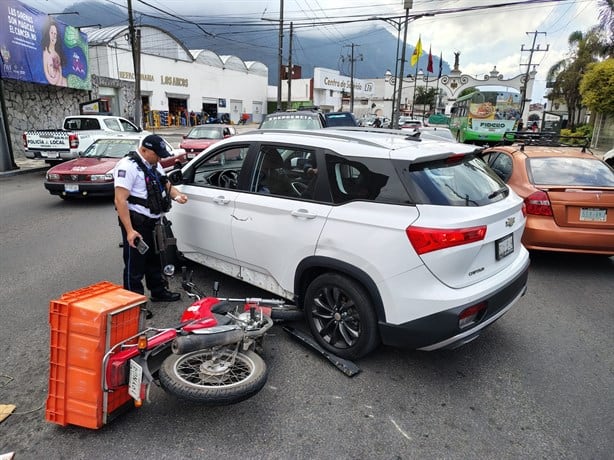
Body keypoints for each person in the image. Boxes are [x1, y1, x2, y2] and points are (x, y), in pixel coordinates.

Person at [114, 134, 188, 304]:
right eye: (157, 154)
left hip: (154, 223)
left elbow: (165, 184)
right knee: (135, 266)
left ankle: (158, 291)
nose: (160, 158)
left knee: (155, 260)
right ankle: (135, 305)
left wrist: (177, 196)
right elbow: (120, 200)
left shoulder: (154, 164)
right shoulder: (128, 166)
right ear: (144, 150)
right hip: (136, 224)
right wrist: (129, 231)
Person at [41, 19, 67, 87]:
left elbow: (59, 74)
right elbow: (49, 77)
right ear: (48, 34)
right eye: (51, 33)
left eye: (55, 34)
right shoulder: (45, 53)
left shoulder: (57, 54)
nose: (53, 36)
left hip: (62, 83)